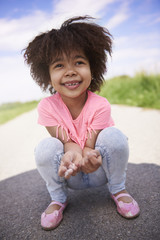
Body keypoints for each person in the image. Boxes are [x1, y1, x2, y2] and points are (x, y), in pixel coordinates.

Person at [23, 16, 140, 231]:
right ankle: (58, 199)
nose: (70, 71)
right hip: (69, 173)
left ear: (92, 68)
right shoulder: (47, 107)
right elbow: (67, 142)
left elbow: (89, 144)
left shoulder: (101, 105)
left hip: (99, 168)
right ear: (47, 76)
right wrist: (72, 156)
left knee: (114, 135)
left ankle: (118, 189)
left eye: (79, 62)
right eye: (59, 65)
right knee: (45, 148)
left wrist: (89, 154)